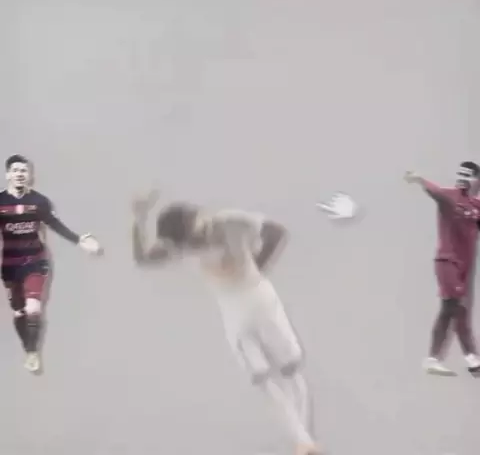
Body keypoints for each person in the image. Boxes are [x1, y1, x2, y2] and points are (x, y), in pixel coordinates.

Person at [131, 190, 321, 455]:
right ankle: (304, 441)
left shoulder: (228, 221)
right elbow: (144, 258)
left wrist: (255, 269)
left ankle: (305, 439)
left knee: (288, 371)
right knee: (263, 379)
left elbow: (276, 232)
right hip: (235, 311)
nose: (195, 241)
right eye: (187, 240)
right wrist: (139, 218)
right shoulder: (181, 246)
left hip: (259, 300)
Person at [0, 154, 103, 373]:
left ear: (30, 175)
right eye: (15, 170)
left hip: (35, 261)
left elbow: (54, 224)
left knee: (33, 307)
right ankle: (28, 347)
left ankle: (32, 352)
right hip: (10, 264)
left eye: (23, 170)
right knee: (19, 311)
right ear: (8, 174)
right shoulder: (1, 202)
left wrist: (79, 241)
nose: (20, 174)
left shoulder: (39, 201)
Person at [405, 161, 480, 376]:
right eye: (461, 174)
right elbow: (436, 192)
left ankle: (443, 359)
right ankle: (468, 358)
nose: (463, 179)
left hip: (464, 267)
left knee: (452, 309)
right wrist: (420, 179)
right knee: (454, 308)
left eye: (469, 175)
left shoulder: (476, 206)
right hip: (447, 262)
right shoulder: (450, 196)